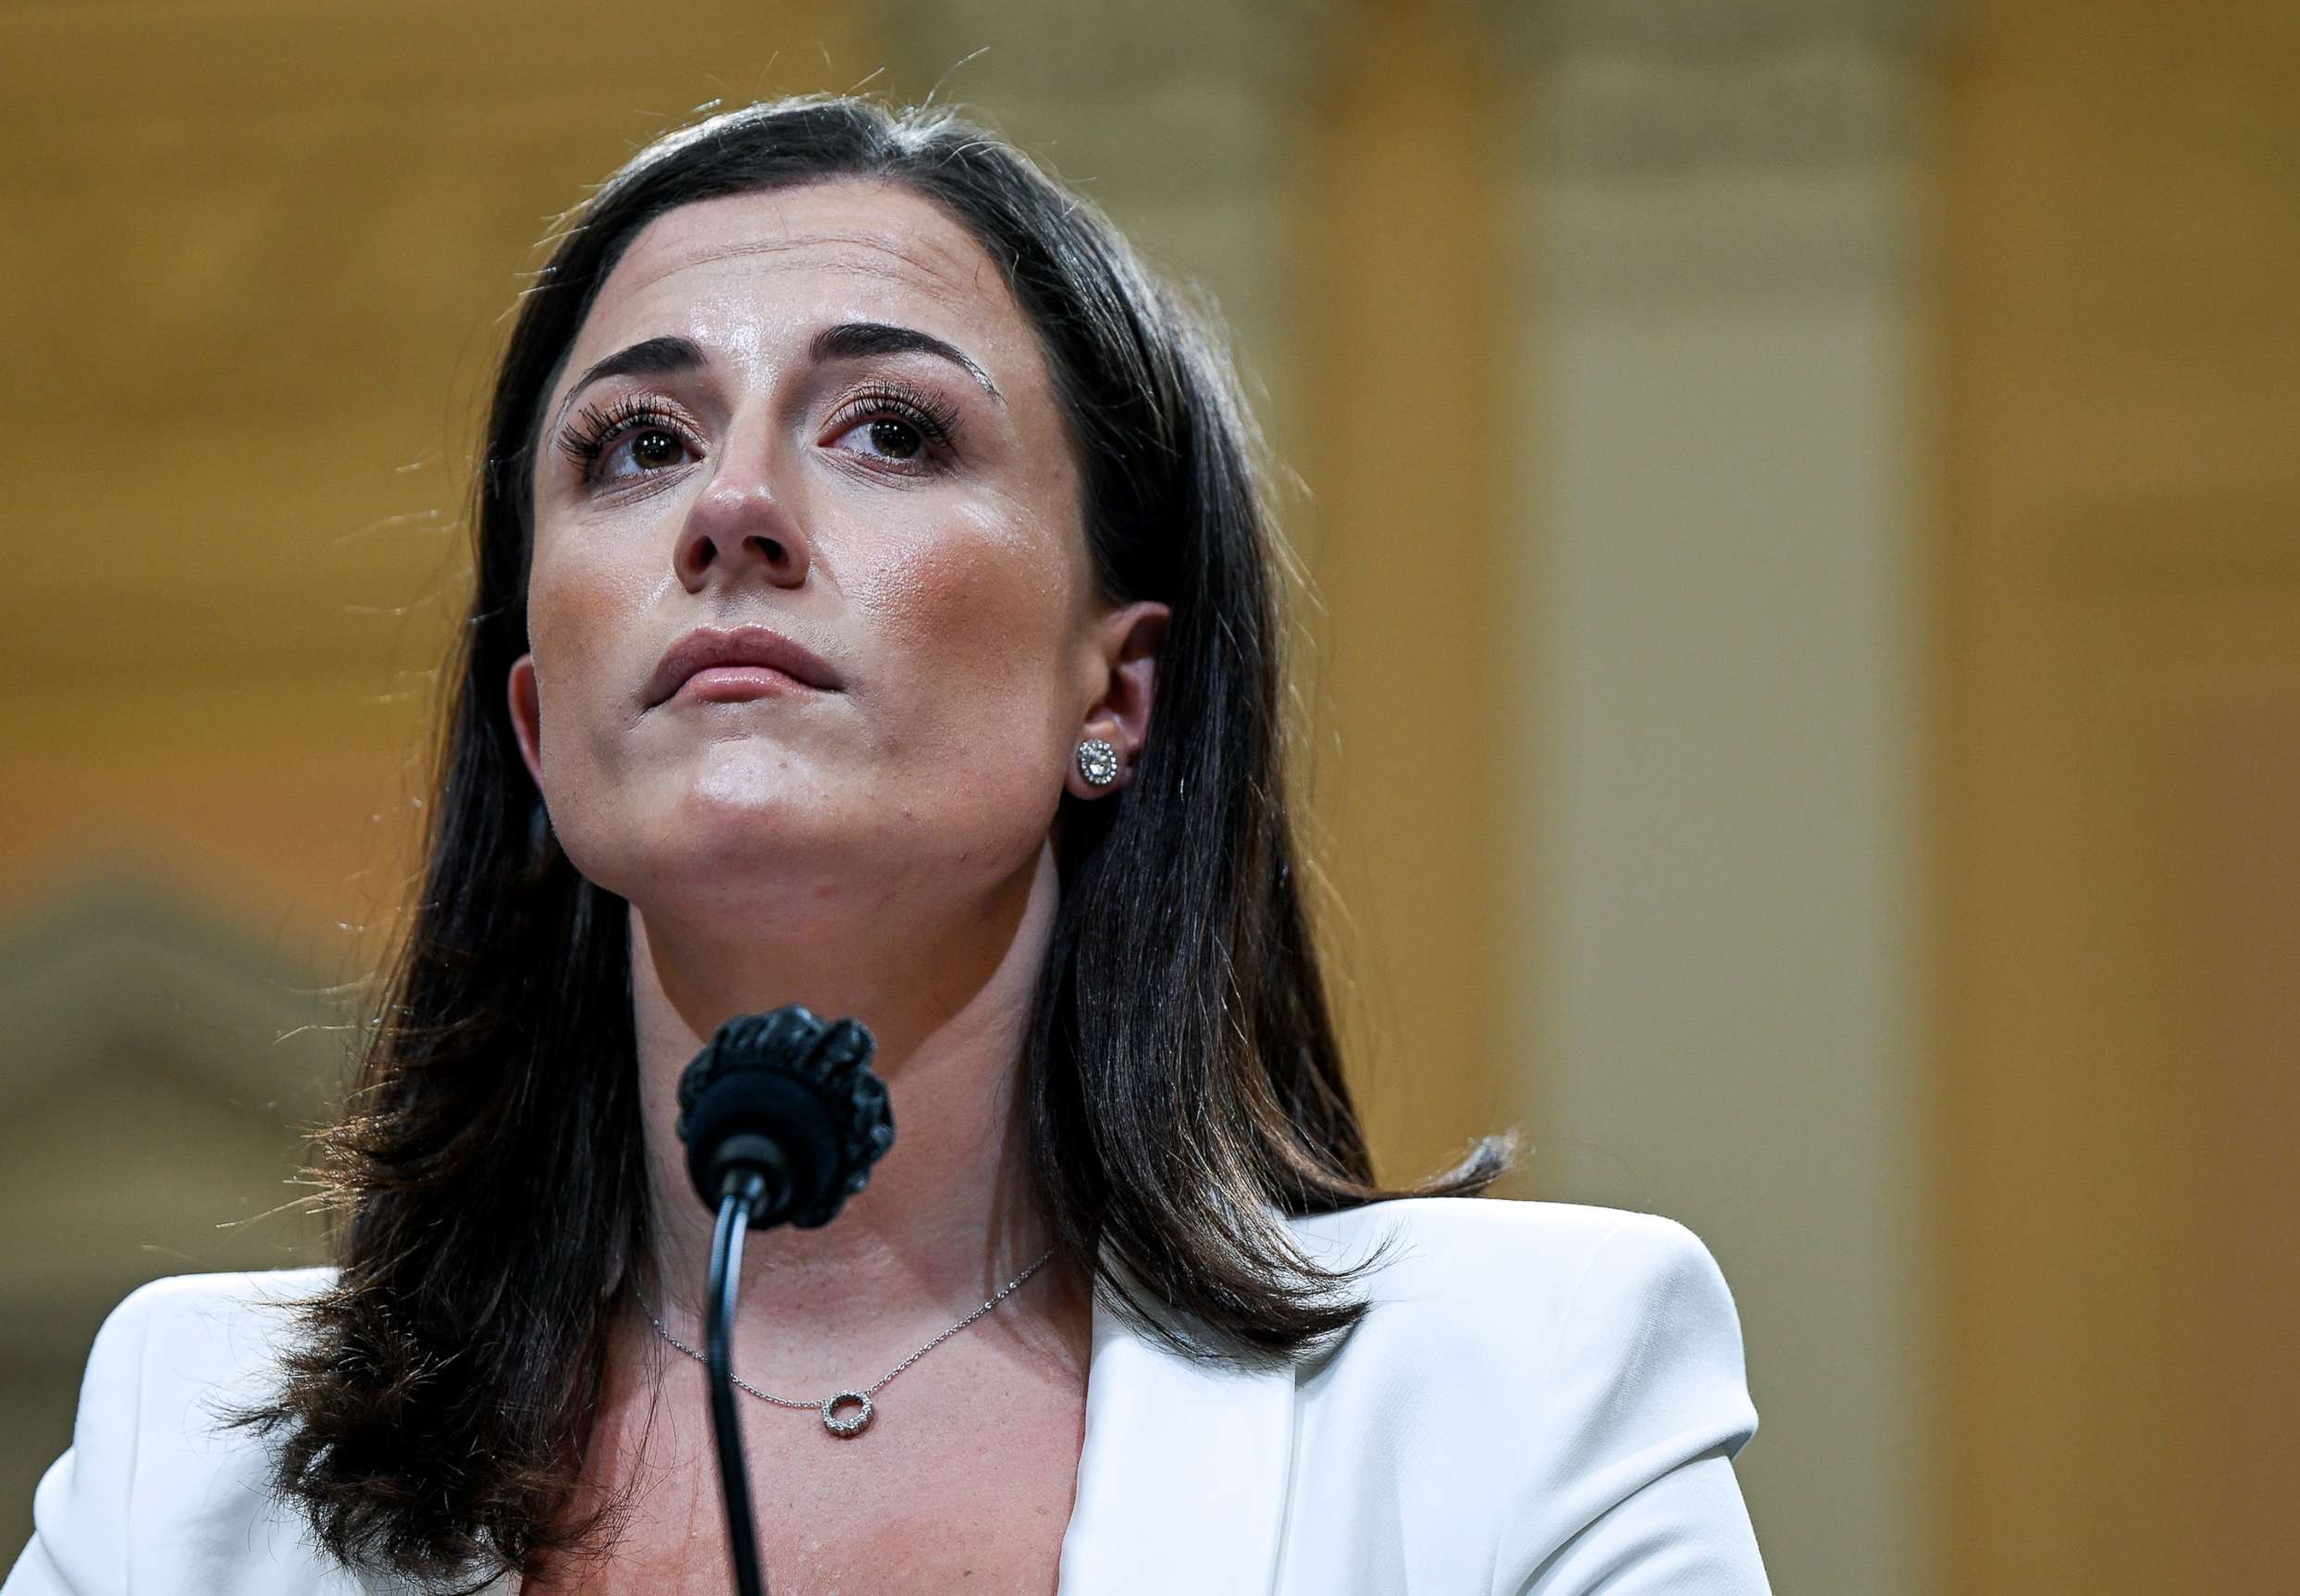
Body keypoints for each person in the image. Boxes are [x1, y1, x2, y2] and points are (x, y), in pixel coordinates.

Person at [4, 95, 1770, 1595]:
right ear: (539, 726)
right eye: (635, 443)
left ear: (1123, 688)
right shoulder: (197, 1455)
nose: (734, 510)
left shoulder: (1524, 1393)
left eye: (891, 429)